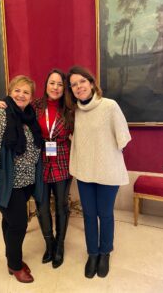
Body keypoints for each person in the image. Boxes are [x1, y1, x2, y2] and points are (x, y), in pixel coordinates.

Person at [0, 69, 73, 269]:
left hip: (63, 159)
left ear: (64, 88)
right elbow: (14, 110)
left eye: (60, 84)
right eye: (52, 83)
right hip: (39, 162)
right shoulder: (34, 106)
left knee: (62, 206)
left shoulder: (71, 109)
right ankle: (49, 245)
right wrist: (2, 105)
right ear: (46, 85)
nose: (55, 87)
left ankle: (60, 247)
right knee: (42, 206)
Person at [65, 66, 131, 279]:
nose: (78, 87)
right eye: (74, 85)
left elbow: (123, 138)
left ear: (91, 83)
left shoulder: (109, 106)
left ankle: (105, 253)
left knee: (105, 214)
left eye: (82, 82)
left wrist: (105, 156)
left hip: (107, 172)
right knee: (89, 216)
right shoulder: (74, 111)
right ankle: (92, 253)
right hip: (85, 172)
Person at [0, 75, 42, 283]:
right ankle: (15, 266)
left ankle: (10, 259)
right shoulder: (0, 114)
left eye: (26, 92)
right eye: (17, 90)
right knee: (18, 224)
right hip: (6, 182)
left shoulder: (28, 115)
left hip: (24, 181)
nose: (21, 95)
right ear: (10, 90)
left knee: (9, 221)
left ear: (31, 97)